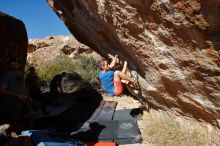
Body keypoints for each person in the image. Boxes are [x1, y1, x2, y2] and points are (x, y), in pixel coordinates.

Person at [0, 59, 36, 131]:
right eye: (12, 64)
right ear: (10, 65)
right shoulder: (7, 75)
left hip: (24, 98)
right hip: (13, 99)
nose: (14, 65)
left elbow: (24, 87)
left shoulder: (21, 74)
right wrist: (17, 95)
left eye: (16, 64)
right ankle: (12, 134)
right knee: (14, 118)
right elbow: (1, 90)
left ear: (19, 65)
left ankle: (30, 131)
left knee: (32, 114)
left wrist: (29, 97)